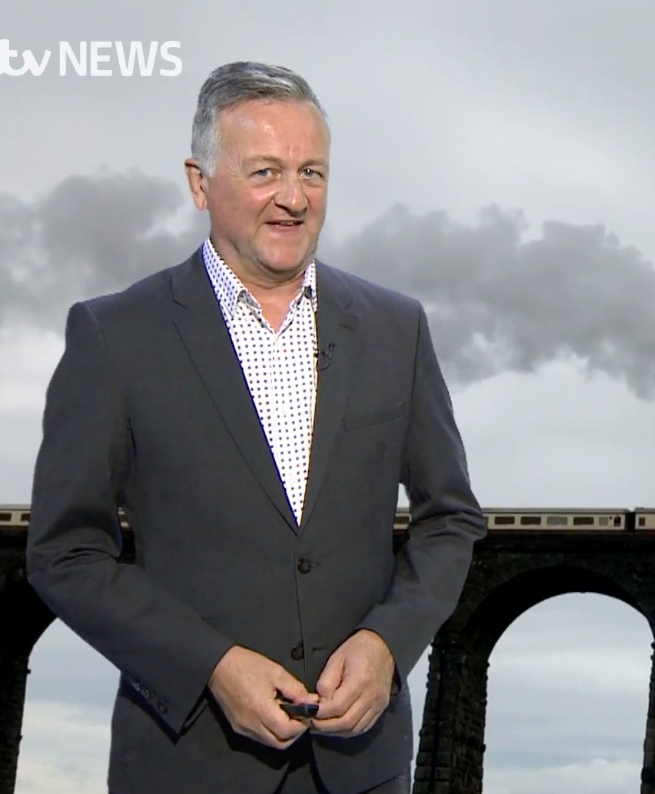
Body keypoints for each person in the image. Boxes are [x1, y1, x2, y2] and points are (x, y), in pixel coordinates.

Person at [24, 61, 487, 794]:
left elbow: (450, 517)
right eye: (265, 171)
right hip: (186, 765)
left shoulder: (396, 328)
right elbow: (66, 553)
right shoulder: (114, 337)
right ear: (200, 183)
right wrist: (209, 665)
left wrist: (387, 643)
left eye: (312, 173)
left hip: (361, 770)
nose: (293, 198)